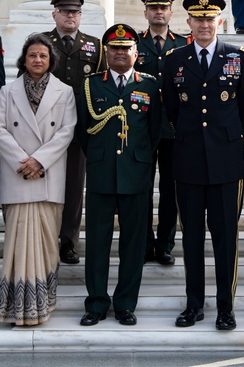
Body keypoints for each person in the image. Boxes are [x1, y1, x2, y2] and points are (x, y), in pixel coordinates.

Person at [162, 0, 244, 331]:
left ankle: (225, 307)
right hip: (187, 160)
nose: (204, 24)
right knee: (190, 238)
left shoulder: (238, 56)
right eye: (197, 19)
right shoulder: (174, 59)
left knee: (225, 237)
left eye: (210, 18)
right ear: (188, 22)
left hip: (226, 162)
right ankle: (193, 304)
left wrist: (232, 137)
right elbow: (172, 109)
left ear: (220, 21)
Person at [76, 24, 162, 327]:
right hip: (101, 173)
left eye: (126, 48)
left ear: (136, 53)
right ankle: (96, 303)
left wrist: (138, 158)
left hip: (136, 173)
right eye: (114, 48)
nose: (120, 53)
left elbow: (154, 133)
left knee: (134, 243)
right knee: (97, 242)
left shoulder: (150, 85)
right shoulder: (90, 85)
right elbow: (83, 130)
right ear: (106, 52)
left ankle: (126, 303)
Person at [0, 32, 77, 326]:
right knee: (17, 245)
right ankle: (16, 308)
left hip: (48, 175)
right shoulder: (7, 91)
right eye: (32, 55)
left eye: (43, 55)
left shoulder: (64, 92)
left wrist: (39, 161)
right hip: (18, 177)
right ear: (24, 60)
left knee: (45, 243)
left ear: (50, 60)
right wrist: (22, 161)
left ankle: (42, 305)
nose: (37, 60)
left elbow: (67, 131)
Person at [42, 0, 105, 265]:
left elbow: (102, 84)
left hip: (80, 128)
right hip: (45, 129)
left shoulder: (95, 45)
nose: (71, 16)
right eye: (66, 11)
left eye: (76, 11)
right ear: (55, 14)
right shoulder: (41, 42)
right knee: (45, 185)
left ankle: (68, 242)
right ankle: (44, 238)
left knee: (73, 186)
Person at [134, 0, 188, 266]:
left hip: (171, 129)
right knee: (142, 188)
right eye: (153, 7)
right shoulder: (134, 45)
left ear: (170, 13)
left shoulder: (182, 45)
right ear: (145, 12)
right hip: (141, 128)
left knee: (170, 190)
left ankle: (165, 244)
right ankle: (143, 244)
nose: (158, 11)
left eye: (163, 7)